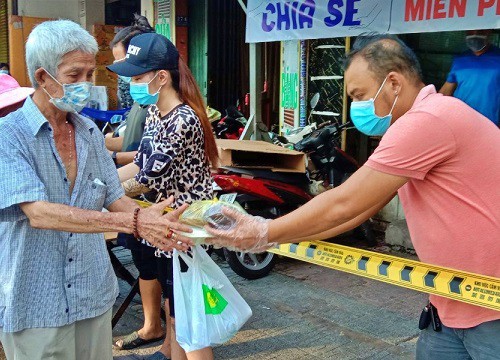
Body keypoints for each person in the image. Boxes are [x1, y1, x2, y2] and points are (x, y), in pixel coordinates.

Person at [206, 34, 500, 360]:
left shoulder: (428, 120)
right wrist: (272, 236)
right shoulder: (421, 122)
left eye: (359, 95)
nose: (356, 107)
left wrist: (263, 231)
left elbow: (345, 203)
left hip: (490, 310)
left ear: (393, 83)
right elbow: (356, 212)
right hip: (449, 302)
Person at [0, 20, 193, 360]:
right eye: (75, 76)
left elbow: (113, 197)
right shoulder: (9, 135)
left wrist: (150, 219)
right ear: (43, 77)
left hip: (93, 294)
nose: (86, 85)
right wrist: (134, 224)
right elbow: (39, 213)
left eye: (90, 74)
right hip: (35, 302)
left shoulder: (88, 131)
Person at [107, 33, 218, 360]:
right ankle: (170, 352)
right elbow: (140, 162)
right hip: (167, 226)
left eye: (137, 77)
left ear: (161, 77)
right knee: (174, 301)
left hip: (186, 229)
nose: (131, 83)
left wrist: (99, 195)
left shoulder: (183, 119)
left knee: (190, 319)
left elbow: (144, 179)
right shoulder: (156, 113)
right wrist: (103, 184)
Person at [105, 15, 167, 352]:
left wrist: (105, 184)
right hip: (141, 206)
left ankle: (161, 333)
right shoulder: (147, 105)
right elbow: (135, 148)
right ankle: (157, 332)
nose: (124, 77)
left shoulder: (172, 112)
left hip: (157, 209)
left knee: (167, 280)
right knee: (148, 267)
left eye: (126, 66)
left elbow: (147, 166)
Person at [439, 30, 500, 126]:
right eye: (470, 33)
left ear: (489, 32)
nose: (474, 35)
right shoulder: (459, 59)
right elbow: (446, 91)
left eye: (480, 32)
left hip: (491, 124)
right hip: (461, 122)